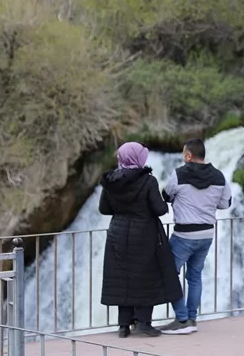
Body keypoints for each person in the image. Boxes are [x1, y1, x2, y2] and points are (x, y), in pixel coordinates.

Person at [99, 142, 182, 338]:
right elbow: (160, 209)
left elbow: (104, 209)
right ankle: (144, 323)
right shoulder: (148, 181)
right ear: (139, 158)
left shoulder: (111, 180)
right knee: (146, 276)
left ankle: (123, 326)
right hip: (144, 233)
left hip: (117, 233)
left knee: (123, 277)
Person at [159, 138, 232, 335]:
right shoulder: (219, 177)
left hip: (184, 234)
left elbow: (166, 195)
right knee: (194, 276)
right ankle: (192, 319)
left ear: (189, 156)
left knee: (167, 274)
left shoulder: (179, 174)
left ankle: (181, 319)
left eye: (184, 155)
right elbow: (225, 204)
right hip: (207, 234)